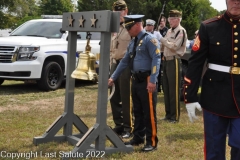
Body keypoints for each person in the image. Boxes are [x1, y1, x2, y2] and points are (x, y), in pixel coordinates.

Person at [184, 0, 240, 159]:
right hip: (215, 96)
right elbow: (195, 63)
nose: (236, 2)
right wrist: (190, 96)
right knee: (214, 148)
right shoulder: (209, 27)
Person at [108, 14, 160, 152]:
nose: (128, 30)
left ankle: (152, 141)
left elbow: (156, 59)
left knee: (149, 113)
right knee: (137, 111)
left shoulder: (150, 39)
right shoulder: (133, 42)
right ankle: (138, 137)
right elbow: (125, 61)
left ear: (138, 25)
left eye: (130, 27)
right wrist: (113, 77)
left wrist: (153, 80)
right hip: (136, 80)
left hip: (147, 80)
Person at [109, 0, 133, 139]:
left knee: (125, 96)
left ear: (126, 11)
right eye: (115, 12)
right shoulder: (114, 27)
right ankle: (118, 124)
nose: (118, 14)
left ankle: (129, 127)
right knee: (114, 95)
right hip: (114, 63)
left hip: (125, 64)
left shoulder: (130, 26)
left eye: (120, 11)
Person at [160, 10, 188, 123]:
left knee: (173, 90)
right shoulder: (169, 31)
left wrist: (162, 40)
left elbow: (175, 46)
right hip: (166, 61)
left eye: (172, 19)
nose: (170, 21)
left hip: (174, 61)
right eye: (169, 19)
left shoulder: (181, 31)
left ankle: (174, 116)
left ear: (178, 19)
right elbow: (165, 46)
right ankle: (168, 114)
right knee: (166, 88)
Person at [157, 16, 169, 93]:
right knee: (157, 70)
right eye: (160, 21)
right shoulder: (157, 30)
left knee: (164, 70)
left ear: (165, 22)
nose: (161, 22)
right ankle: (158, 87)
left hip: (164, 52)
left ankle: (165, 87)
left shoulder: (167, 31)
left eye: (162, 21)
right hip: (157, 52)